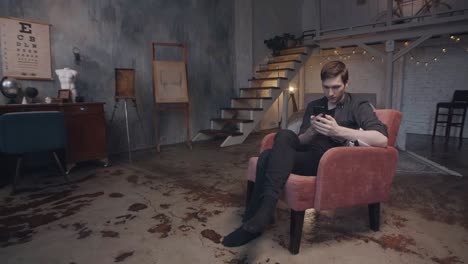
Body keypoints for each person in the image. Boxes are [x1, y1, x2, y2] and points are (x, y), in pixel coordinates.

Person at [222, 60, 388, 247]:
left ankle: (257, 216)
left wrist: (337, 131)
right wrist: (311, 132)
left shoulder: (358, 104)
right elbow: (301, 141)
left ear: (346, 83)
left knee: (267, 157)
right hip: (307, 154)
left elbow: (382, 139)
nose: (330, 93)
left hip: (329, 161)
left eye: (336, 87)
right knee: (284, 135)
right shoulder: (315, 105)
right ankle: (263, 213)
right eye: (326, 87)